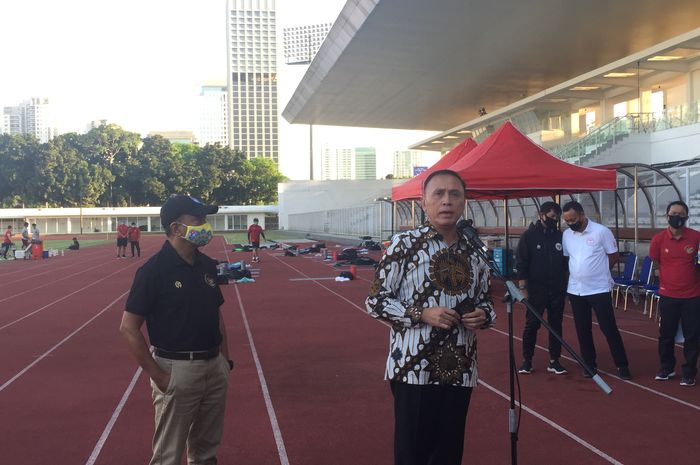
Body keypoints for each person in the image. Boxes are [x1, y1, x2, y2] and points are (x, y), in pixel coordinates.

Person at [366, 169, 495, 465]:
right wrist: (421, 313)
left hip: (460, 368)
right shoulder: (403, 246)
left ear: (464, 202)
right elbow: (375, 301)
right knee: (413, 455)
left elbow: (487, 302)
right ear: (424, 202)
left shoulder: (475, 252)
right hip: (413, 368)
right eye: (438, 194)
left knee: (449, 454)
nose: (446, 201)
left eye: (454, 194)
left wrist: (482, 316)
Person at [119, 194, 232, 465]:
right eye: (198, 220)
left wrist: (224, 362)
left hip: (213, 367)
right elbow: (128, 328)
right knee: (168, 455)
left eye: (205, 219)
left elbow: (216, 314)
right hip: (177, 370)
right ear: (176, 228)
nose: (205, 226)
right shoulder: (154, 271)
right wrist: (159, 376)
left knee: (206, 451)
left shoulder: (207, 265)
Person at [561, 201, 632, 380]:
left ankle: (622, 365)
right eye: (567, 221)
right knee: (582, 328)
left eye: (573, 219)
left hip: (599, 289)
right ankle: (589, 364)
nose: (571, 223)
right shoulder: (567, 235)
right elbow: (568, 258)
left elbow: (613, 255)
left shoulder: (601, 231)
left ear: (582, 215)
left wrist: (600, 272)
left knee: (608, 328)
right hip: (576, 290)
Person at [649, 200, 700, 387]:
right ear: (667, 216)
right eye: (673, 213)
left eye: (680, 214)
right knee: (666, 335)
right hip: (668, 295)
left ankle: (689, 372)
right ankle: (666, 368)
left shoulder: (696, 238)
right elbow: (656, 262)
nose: (676, 217)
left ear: (686, 217)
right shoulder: (659, 239)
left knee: (692, 336)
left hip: (693, 296)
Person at [516, 201, 568, 375]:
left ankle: (554, 360)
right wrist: (523, 288)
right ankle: (527, 360)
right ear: (541, 215)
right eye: (552, 216)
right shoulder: (529, 236)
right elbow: (521, 263)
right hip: (536, 289)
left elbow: (566, 262)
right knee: (532, 325)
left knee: (555, 325)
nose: (554, 220)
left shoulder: (560, 236)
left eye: (557, 218)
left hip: (556, 289)